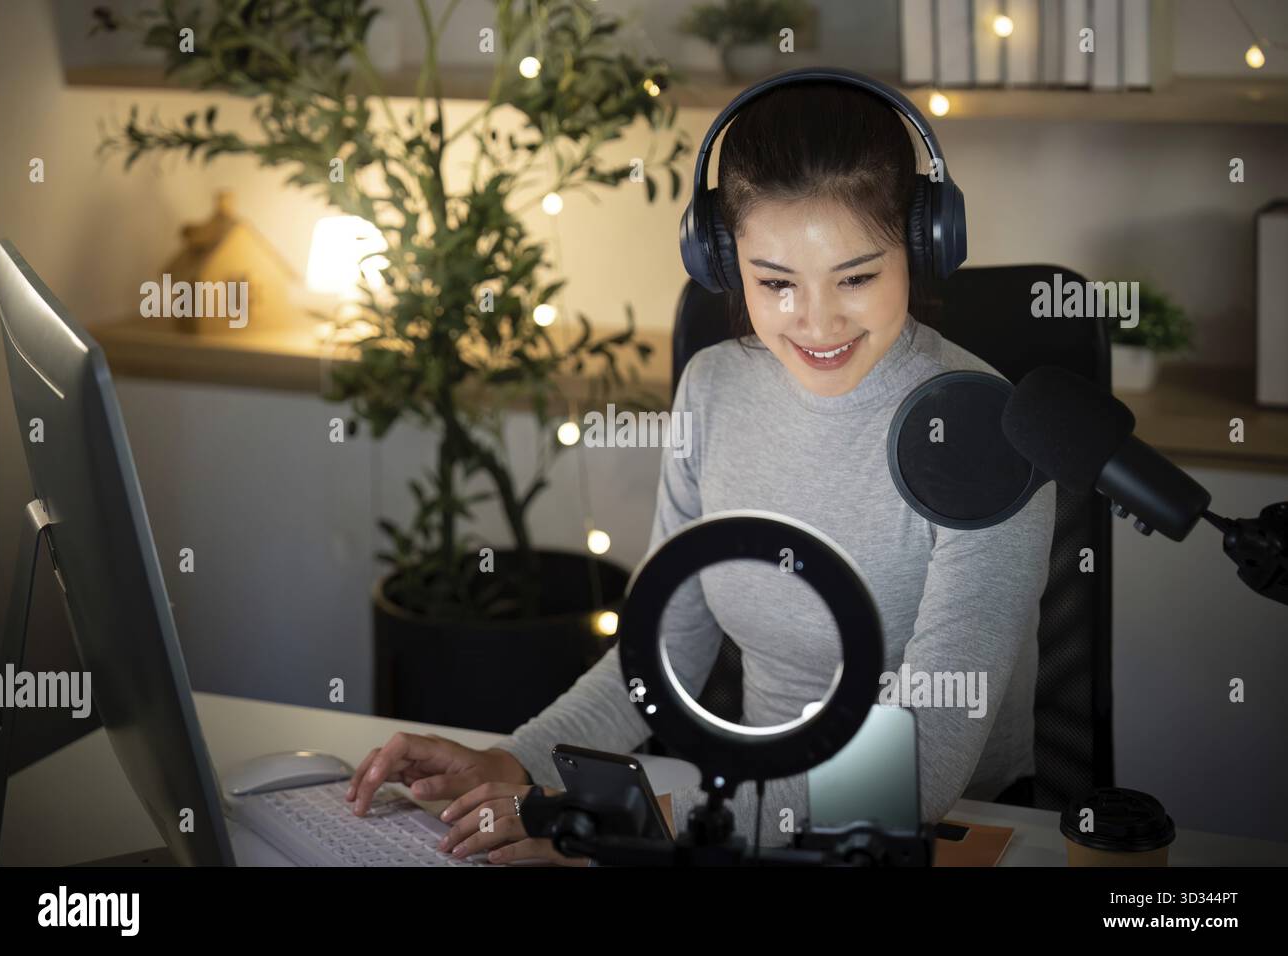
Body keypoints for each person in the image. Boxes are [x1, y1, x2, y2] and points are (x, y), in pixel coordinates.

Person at [346, 79, 1055, 866]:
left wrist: (630, 829)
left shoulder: (991, 433)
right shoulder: (714, 389)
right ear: (724, 263)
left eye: (856, 278)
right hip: (742, 821)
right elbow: (658, 658)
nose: (817, 323)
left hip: (941, 834)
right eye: (775, 282)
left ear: (920, 248)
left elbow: (918, 768)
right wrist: (516, 761)